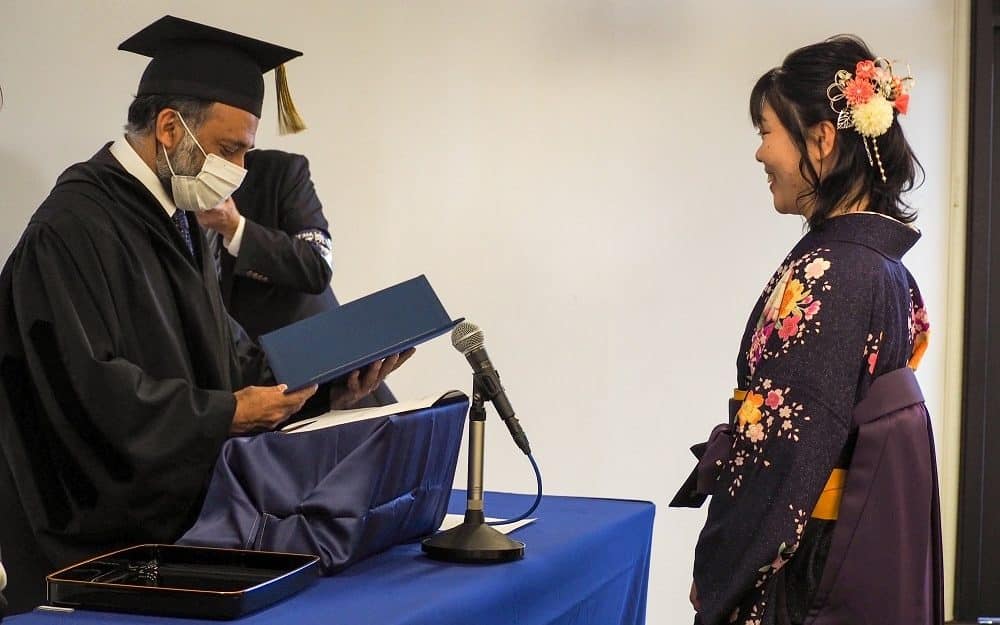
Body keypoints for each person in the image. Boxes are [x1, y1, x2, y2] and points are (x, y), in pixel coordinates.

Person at [0, 15, 407, 613]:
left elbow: (224, 351)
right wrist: (226, 414)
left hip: (175, 529)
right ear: (170, 128)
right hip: (95, 544)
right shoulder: (75, 225)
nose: (239, 169)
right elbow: (86, 391)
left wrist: (329, 389)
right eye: (228, 149)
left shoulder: (179, 217)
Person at [675, 35, 942, 625]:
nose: (759, 154)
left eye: (766, 132)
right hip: (841, 547)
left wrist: (720, 571)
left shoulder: (834, 273)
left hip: (800, 573)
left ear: (822, 139)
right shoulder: (879, 266)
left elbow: (782, 455)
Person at [196, 148, 396, 407]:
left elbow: (316, 265)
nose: (237, 163)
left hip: (332, 388)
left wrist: (237, 229)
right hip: (240, 407)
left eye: (240, 148)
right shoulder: (155, 204)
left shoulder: (279, 172)